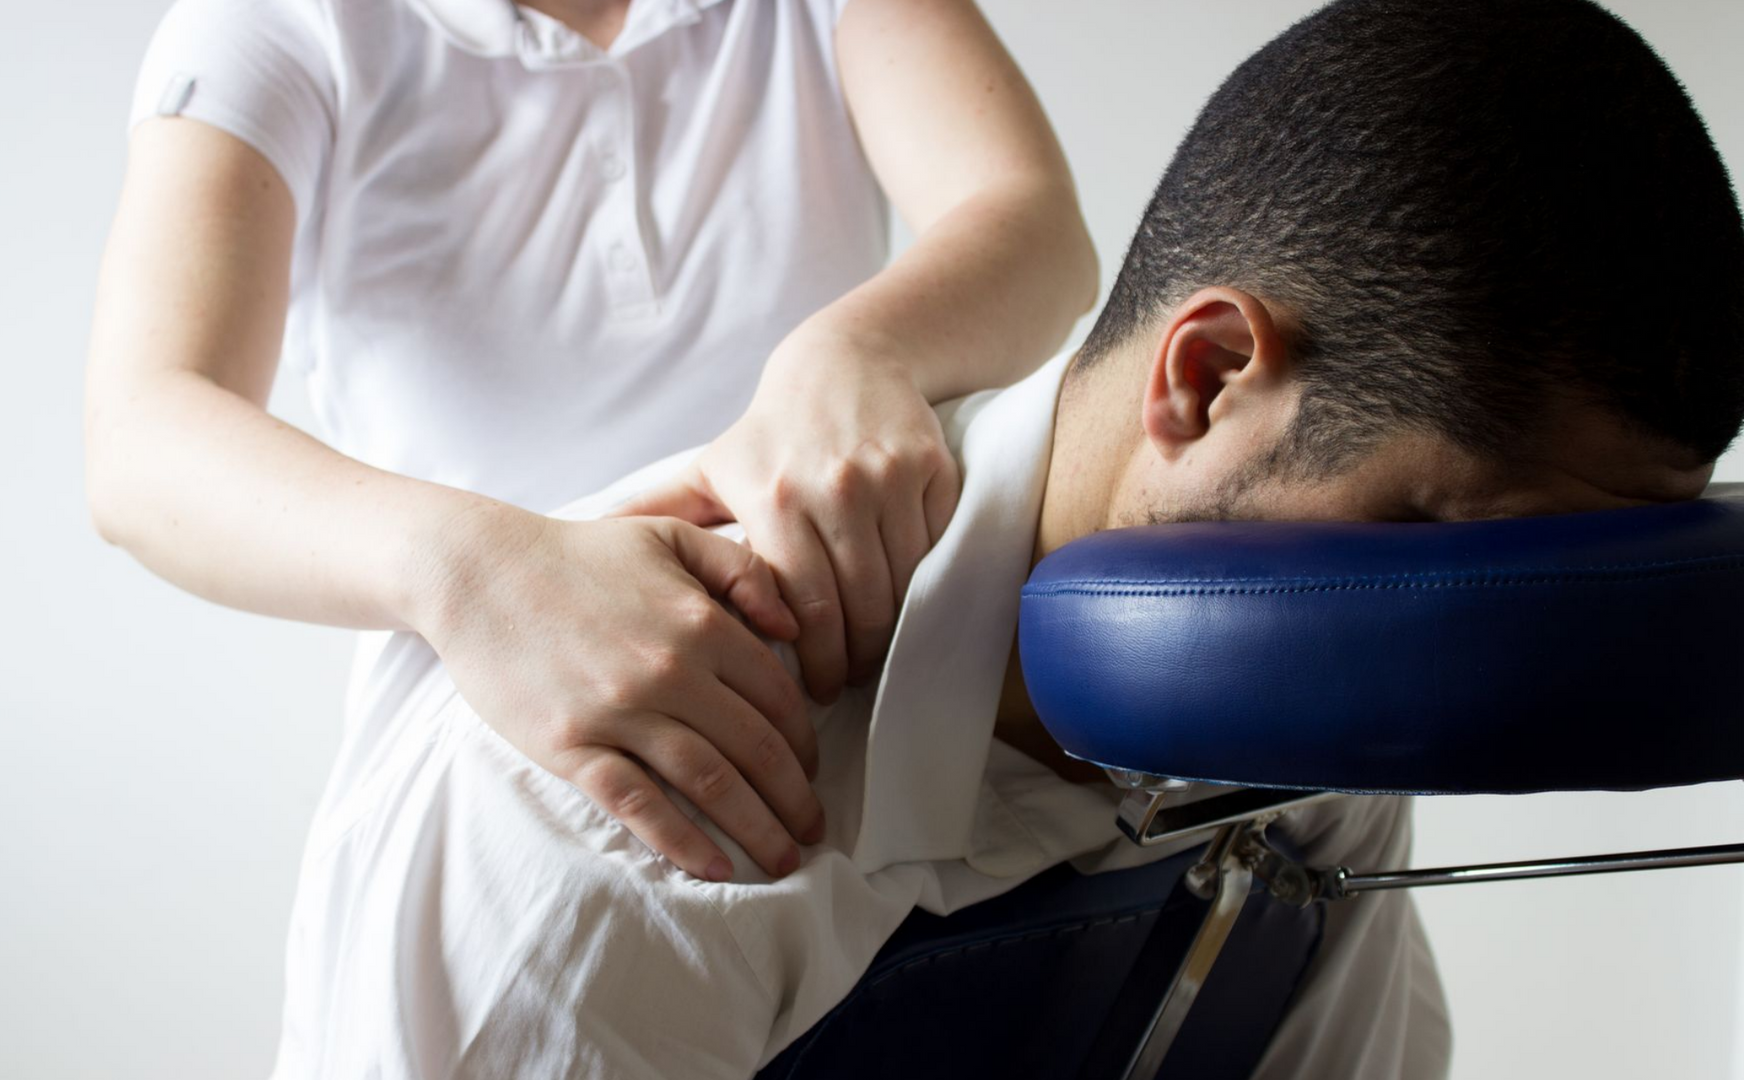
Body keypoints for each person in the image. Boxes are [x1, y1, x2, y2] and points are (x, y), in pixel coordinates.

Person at [246, 0, 1744, 1076]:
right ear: (1207, 378)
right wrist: (467, 564)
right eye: (1441, 546)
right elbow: (148, 444)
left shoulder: (1333, 709)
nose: (1469, 649)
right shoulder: (641, 813)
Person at [85, 0, 1100, 887]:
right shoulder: (283, 23)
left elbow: (1034, 224)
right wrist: (477, 574)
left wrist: (852, 354)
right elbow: (142, 438)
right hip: (510, 759)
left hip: (854, 727)